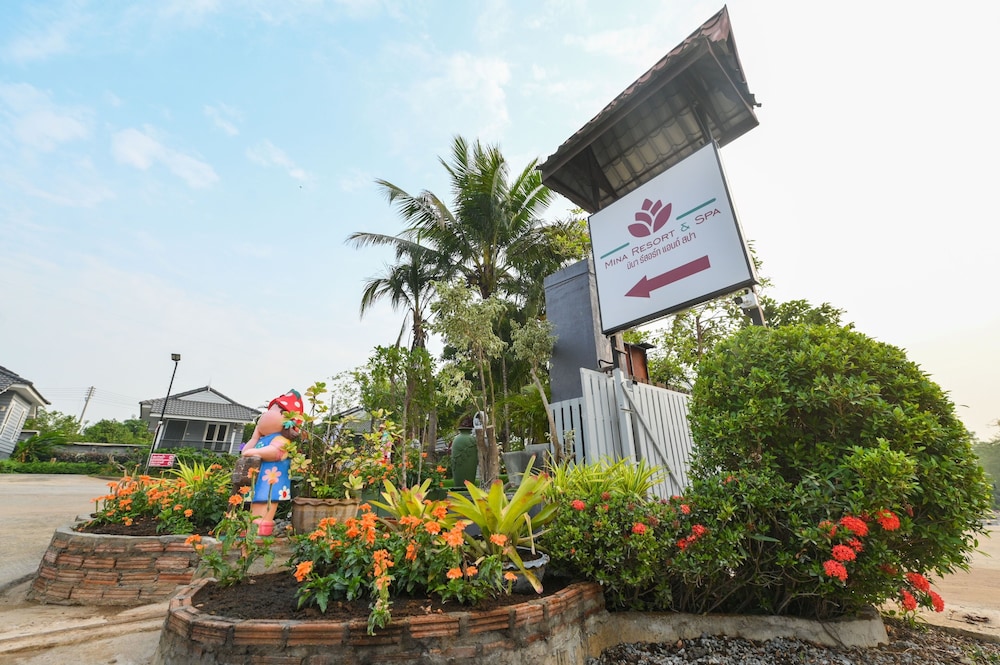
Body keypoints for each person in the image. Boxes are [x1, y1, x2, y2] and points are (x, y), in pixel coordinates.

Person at [240, 390, 304, 536]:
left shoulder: (282, 440)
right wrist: (255, 437)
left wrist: (257, 452)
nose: (266, 415)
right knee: (256, 502)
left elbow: (275, 453)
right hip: (259, 478)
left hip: (272, 478)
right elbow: (246, 451)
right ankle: (251, 525)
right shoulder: (263, 439)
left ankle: (262, 526)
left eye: (277, 411)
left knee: (266, 501)